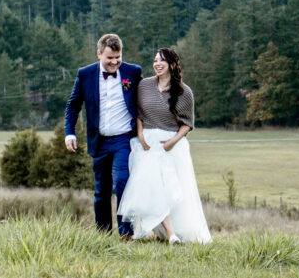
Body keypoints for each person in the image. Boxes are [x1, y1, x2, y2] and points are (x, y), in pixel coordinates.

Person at [118, 48, 211, 244]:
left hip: (171, 143)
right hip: (147, 144)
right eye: (154, 61)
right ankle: (170, 235)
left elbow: (187, 123)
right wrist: (141, 134)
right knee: (152, 188)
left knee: (171, 190)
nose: (157, 64)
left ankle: (174, 232)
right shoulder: (144, 86)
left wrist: (172, 142)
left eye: (161, 61)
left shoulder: (185, 92)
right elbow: (138, 113)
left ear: (172, 64)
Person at [64, 33, 143, 238]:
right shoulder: (85, 74)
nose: (115, 62)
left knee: (121, 182)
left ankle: (126, 232)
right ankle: (103, 235)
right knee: (101, 191)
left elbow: (148, 97)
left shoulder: (132, 72)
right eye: (110, 58)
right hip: (98, 141)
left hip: (123, 140)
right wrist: (69, 133)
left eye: (118, 57)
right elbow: (73, 105)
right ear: (99, 54)